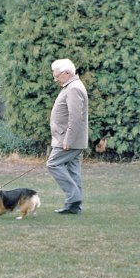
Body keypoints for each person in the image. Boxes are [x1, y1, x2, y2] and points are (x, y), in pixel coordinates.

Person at [47, 58, 88, 214]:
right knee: (73, 171)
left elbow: (76, 117)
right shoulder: (71, 86)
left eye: (57, 75)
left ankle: (74, 198)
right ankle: (74, 207)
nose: (55, 78)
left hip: (68, 140)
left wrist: (68, 140)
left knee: (53, 164)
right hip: (68, 139)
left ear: (67, 73)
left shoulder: (73, 89)